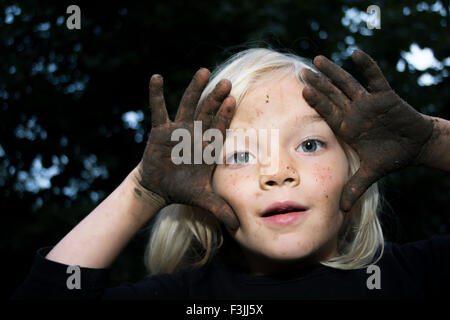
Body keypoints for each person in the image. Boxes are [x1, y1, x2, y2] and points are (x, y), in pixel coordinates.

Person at [12, 48, 450, 300]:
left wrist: (432, 142)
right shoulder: (182, 301)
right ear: (204, 182)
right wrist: (141, 190)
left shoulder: (417, 278)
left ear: (355, 166)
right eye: (240, 156)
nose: (278, 173)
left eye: (310, 145)